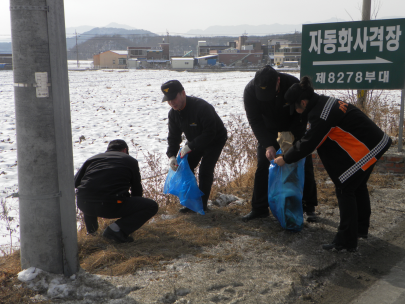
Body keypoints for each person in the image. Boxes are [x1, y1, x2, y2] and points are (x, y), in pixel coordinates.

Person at [274, 77, 392, 251]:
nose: (296, 111)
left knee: (345, 188)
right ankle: (360, 229)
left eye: (296, 107)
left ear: (303, 102)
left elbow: (309, 143)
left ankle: (345, 242)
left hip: (369, 146)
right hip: (375, 141)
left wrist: (286, 158)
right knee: (357, 186)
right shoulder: (323, 103)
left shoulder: (320, 114)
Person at [242, 65, 318, 222]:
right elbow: (255, 121)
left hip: (292, 126)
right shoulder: (250, 91)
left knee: (303, 162)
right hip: (268, 130)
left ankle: (308, 206)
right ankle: (259, 208)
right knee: (263, 164)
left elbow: (301, 116)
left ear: (278, 80)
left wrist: (289, 140)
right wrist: (267, 144)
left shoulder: (292, 84)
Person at [162, 80, 227, 213]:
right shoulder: (173, 113)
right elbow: (174, 136)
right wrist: (172, 156)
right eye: (168, 100)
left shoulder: (202, 107)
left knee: (205, 170)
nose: (171, 103)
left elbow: (210, 133)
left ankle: (202, 205)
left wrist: (190, 146)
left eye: (174, 98)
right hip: (195, 141)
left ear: (183, 93)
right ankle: (191, 203)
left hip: (215, 139)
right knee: (185, 167)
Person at [74, 139, 158, 243]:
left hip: (84, 204)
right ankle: (115, 230)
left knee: (89, 193)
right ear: (124, 150)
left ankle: (92, 234)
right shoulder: (130, 160)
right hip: (111, 205)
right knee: (152, 206)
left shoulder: (92, 159)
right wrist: (133, 209)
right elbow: (136, 189)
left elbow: (75, 182)